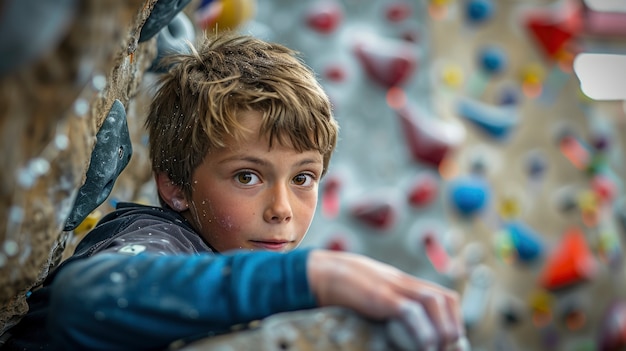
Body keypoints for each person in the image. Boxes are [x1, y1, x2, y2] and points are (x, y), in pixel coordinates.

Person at [2, 32, 465, 350]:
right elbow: (86, 299)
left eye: (303, 178)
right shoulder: (155, 238)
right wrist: (311, 276)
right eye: (248, 176)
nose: (282, 210)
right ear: (175, 186)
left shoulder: (222, 262)